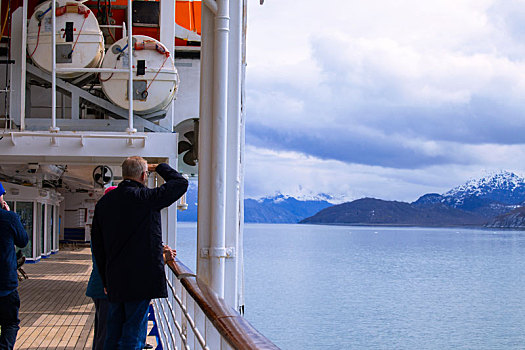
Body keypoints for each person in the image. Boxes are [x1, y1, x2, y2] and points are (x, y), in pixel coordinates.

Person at [91, 157, 188, 349]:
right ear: (144, 175)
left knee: (113, 331)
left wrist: (105, 279)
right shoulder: (147, 199)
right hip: (140, 279)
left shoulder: (104, 203)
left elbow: (98, 245)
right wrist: (160, 167)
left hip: (114, 279)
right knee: (133, 334)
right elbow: (180, 183)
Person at [0, 182, 29, 350]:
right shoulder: (8, 218)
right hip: (5, 284)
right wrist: (11, 215)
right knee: (10, 323)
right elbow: (23, 240)